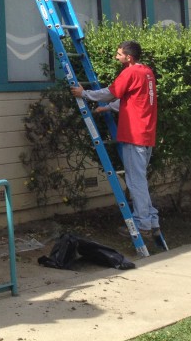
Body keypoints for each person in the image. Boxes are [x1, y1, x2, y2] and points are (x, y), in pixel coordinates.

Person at [70, 41, 167, 250]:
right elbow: (136, 100)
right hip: (145, 134)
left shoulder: (130, 73)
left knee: (135, 182)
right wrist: (109, 109)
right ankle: (152, 221)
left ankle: (142, 225)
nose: (116, 57)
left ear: (129, 57)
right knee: (140, 180)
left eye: (119, 54)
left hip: (134, 135)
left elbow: (110, 92)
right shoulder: (146, 72)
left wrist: (84, 94)